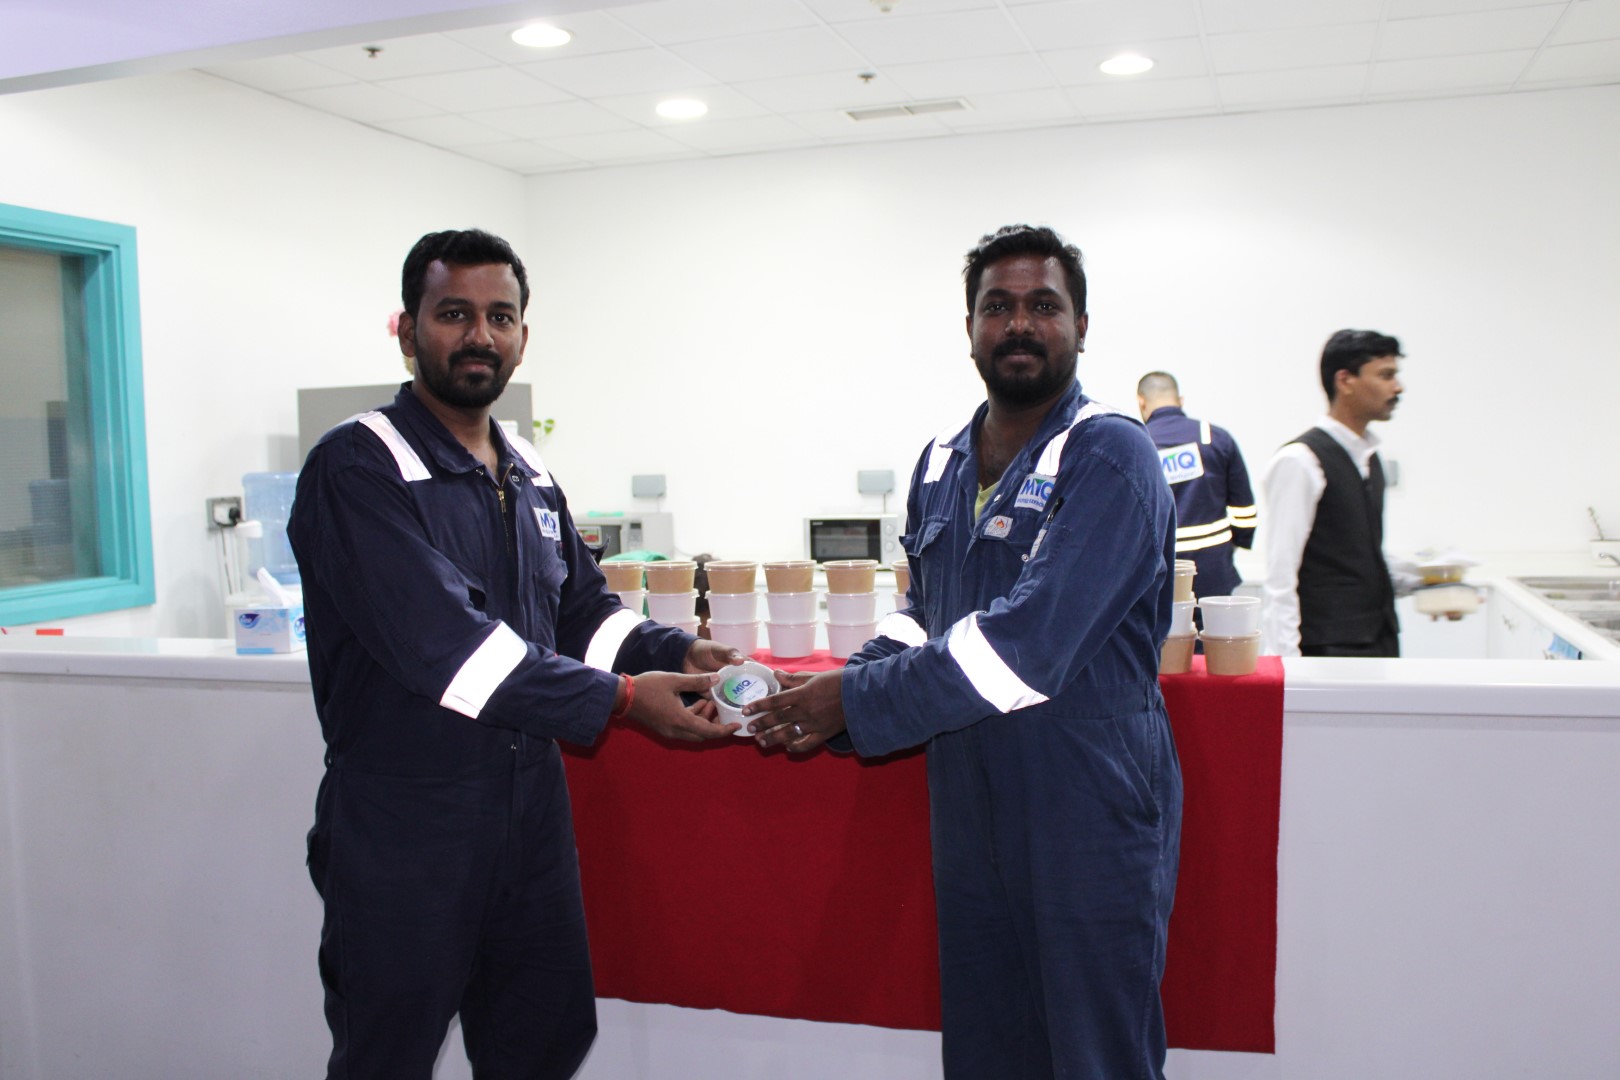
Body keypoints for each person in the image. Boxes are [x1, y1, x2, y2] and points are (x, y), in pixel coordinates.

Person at [288, 228, 741, 1080]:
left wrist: (680, 651)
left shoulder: (527, 468)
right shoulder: (358, 465)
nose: (480, 336)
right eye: (453, 314)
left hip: (529, 820)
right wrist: (620, 701)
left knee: (542, 1045)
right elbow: (448, 650)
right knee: (388, 1056)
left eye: (500, 317)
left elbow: (580, 615)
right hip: (406, 827)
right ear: (407, 329)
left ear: (523, 338)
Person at [745, 225, 1181, 1079]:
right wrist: (838, 689)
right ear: (971, 327)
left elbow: (1028, 645)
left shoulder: (1111, 454)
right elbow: (925, 613)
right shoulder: (941, 461)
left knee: (1095, 1056)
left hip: (1085, 809)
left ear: (1081, 326)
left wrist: (854, 704)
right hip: (969, 809)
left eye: (1043, 305)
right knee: (988, 1050)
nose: (1019, 324)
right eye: (997, 306)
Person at [1259, 328, 1413, 657]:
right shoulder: (1301, 460)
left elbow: (1356, 557)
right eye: (1385, 375)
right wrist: (1288, 667)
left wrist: (1433, 586)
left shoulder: (1370, 458)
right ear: (1345, 380)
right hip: (1326, 648)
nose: (1397, 387)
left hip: (1379, 642)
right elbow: (1281, 575)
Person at [1137, 371, 1258, 601]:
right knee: (1214, 625)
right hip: (1213, 571)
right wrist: (1236, 543)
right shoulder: (1215, 438)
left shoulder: (1138, 444)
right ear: (1180, 400)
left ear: (1141, 401)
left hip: (1158, 576)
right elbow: (1245, 512)